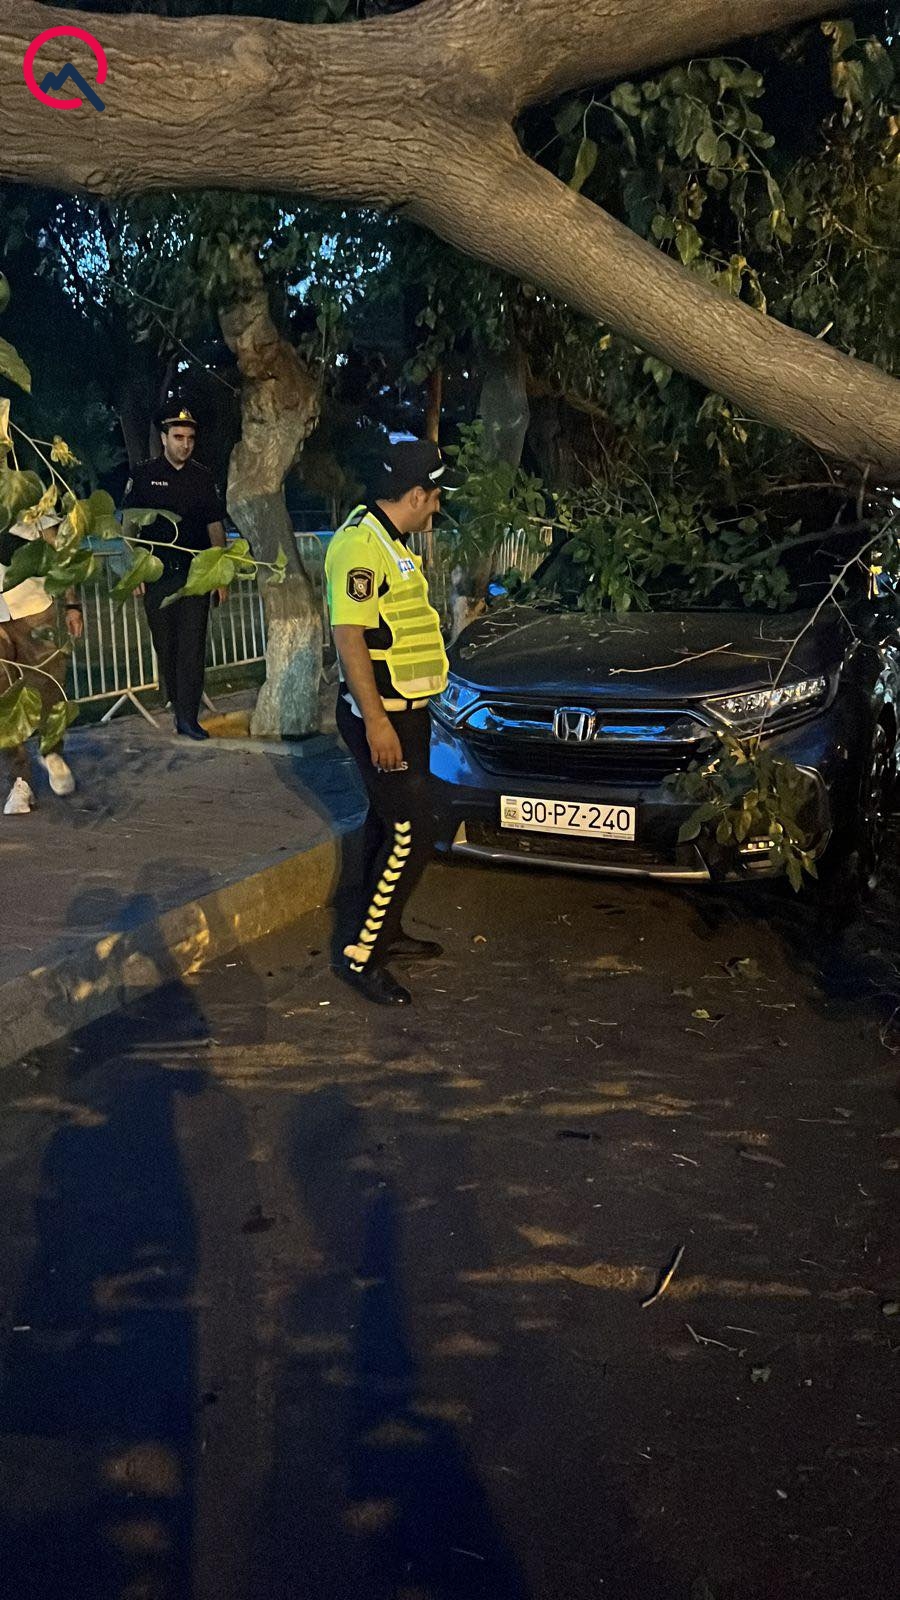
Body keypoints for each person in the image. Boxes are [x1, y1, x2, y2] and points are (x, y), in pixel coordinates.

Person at [325, 439, 452, 1007]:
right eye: (436, 495)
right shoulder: (360, 543)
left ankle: (386, 928)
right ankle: (363, 956)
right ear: (417, 494)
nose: (439, 506)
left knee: (386, 825)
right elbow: (349, 635)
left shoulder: (388, 539)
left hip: (407, 713)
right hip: (383, 717)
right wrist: (376, 721)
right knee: (412, 833)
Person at [122, 405, 227, 740]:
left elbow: (215, 526)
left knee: (192, 648)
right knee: (166, 644)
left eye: (190, 438)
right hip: (158, 575)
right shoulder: (144, 475)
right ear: (164, 438)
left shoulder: (203, 477)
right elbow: (130, 526)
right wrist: (134, 570)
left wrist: (220, 575)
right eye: (178, 437)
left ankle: (188, 717)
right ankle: (176, 699)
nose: (185, 444)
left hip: (195, 575)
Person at [1, 509, 83, 815]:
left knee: (48, 685)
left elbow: (59, 549)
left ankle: (52, 751)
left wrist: (72, 603)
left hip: (34, 607)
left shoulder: (30, 501)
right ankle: (19, 782)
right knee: (4, 703)